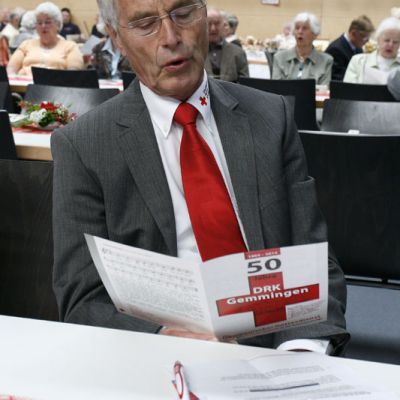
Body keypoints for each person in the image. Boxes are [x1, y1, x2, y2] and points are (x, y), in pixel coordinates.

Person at [51, 0, 349, 354]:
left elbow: (313, 259)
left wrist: (301, 352)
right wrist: (163, 340)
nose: (170, 37)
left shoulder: (271, 118)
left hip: (278, 349)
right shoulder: (84, 145)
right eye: (145, 24)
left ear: (205, 16)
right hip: (160, 357)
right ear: (117, 38)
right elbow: (82, 299)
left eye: (183, 13)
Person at [7, 2, 83, 76]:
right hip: (25, 83)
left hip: (55, 83)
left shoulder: (70, 46)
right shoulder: (26, 44)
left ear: (58, 24)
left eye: (47, 22)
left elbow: (73, 75)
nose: (43, 26)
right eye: (39, 23)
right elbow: (11, 69)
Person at [272, 12, 333, 85]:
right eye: (297, 28)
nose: (300, 32)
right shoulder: (279, 57)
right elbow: (276, 87)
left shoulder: (326, 61)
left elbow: (324, 89)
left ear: (315, 34)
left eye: (305, 28)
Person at [344, 17, 400, 84]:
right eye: (386, 40)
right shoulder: (358, 61)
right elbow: (348, 88)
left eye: (395, 42)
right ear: (378, 40)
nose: (390, 45)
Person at [204, 7, 248, 82]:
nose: (213, 28)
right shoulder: (193, 52)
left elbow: (245, 84)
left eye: (217, 23)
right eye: (209, 23)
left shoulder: (238, 53)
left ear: (224, 26)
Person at [325, 15, 374, 81]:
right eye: (365, 38)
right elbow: (336, 80)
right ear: (353, 33)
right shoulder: (335, 49)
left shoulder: (358, 48)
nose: (367, 41)